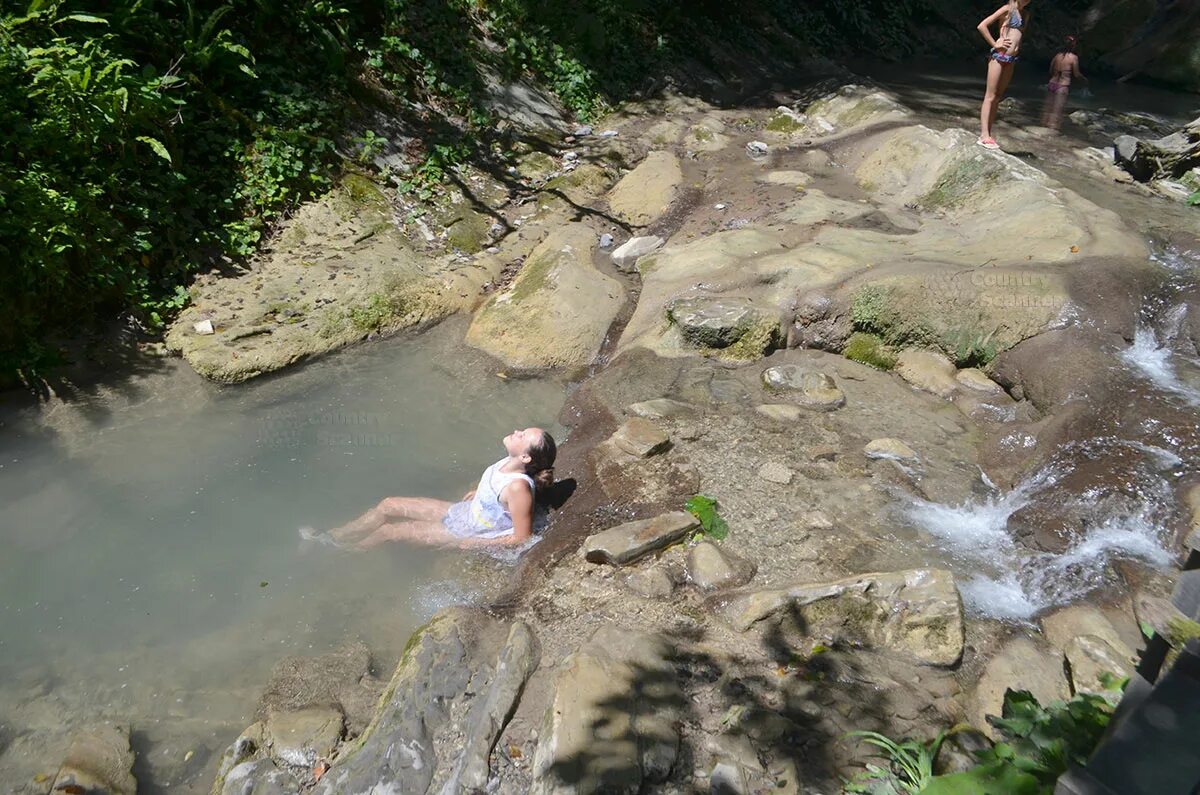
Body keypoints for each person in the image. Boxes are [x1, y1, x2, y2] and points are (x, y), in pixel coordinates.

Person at [305, 427, 556, 550]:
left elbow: (522, 538)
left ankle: (347, 552)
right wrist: (479, 494)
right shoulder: (506, 462)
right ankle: (337, 535)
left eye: (523, 436)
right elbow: (494, 491)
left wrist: (476, 544)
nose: (517, 431)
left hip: (469, 532)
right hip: (464, 512)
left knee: (390, 531)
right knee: (388, 504)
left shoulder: (518, 488)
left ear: (526, 458)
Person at [977, 0, 1033, 150]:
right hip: (998, 57)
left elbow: (1019, 36)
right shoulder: (1007, 9)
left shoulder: (1025, 14)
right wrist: (995, 43)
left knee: (997, 97)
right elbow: (982, 25)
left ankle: (989, 133)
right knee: (990, 96)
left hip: (1011, 59)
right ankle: (984, 135)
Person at [1042, 35, 1087, 130]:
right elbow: (1076, 74)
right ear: (1074, 46)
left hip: (1051, 84)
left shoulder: (1057, 56)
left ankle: (1043, 126)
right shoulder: (1073, 58)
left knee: (1047, 108)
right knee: (1057, 110)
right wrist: (1084, 80)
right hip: (1062, 86)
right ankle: (1053, 131)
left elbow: (1050, 70)